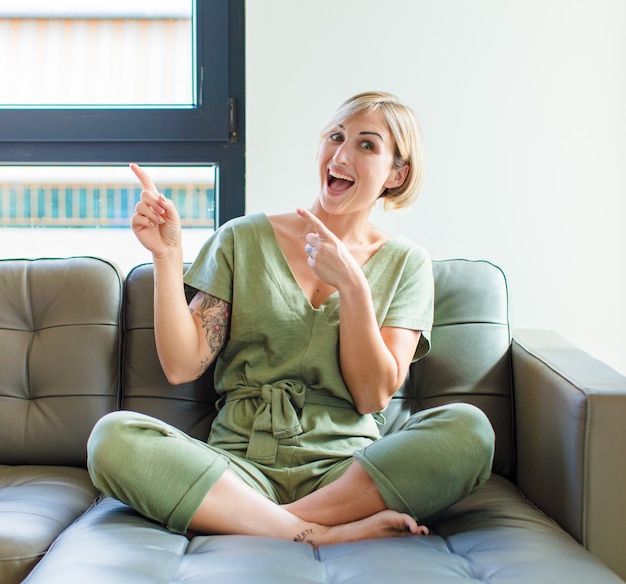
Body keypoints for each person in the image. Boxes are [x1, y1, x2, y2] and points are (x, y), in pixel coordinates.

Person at [87, 91, 495, 547]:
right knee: (113, 437)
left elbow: (371, 394)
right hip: (238, 468)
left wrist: (354, 288)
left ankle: (267, 522)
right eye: (336, 137)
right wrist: (167, 256)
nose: (341, 155)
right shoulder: (242, 239)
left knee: (470, 431)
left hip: (347, 473)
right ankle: (315, 534)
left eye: (366, 145)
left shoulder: (406, 264)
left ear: (397, 173)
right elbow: (183, 366)